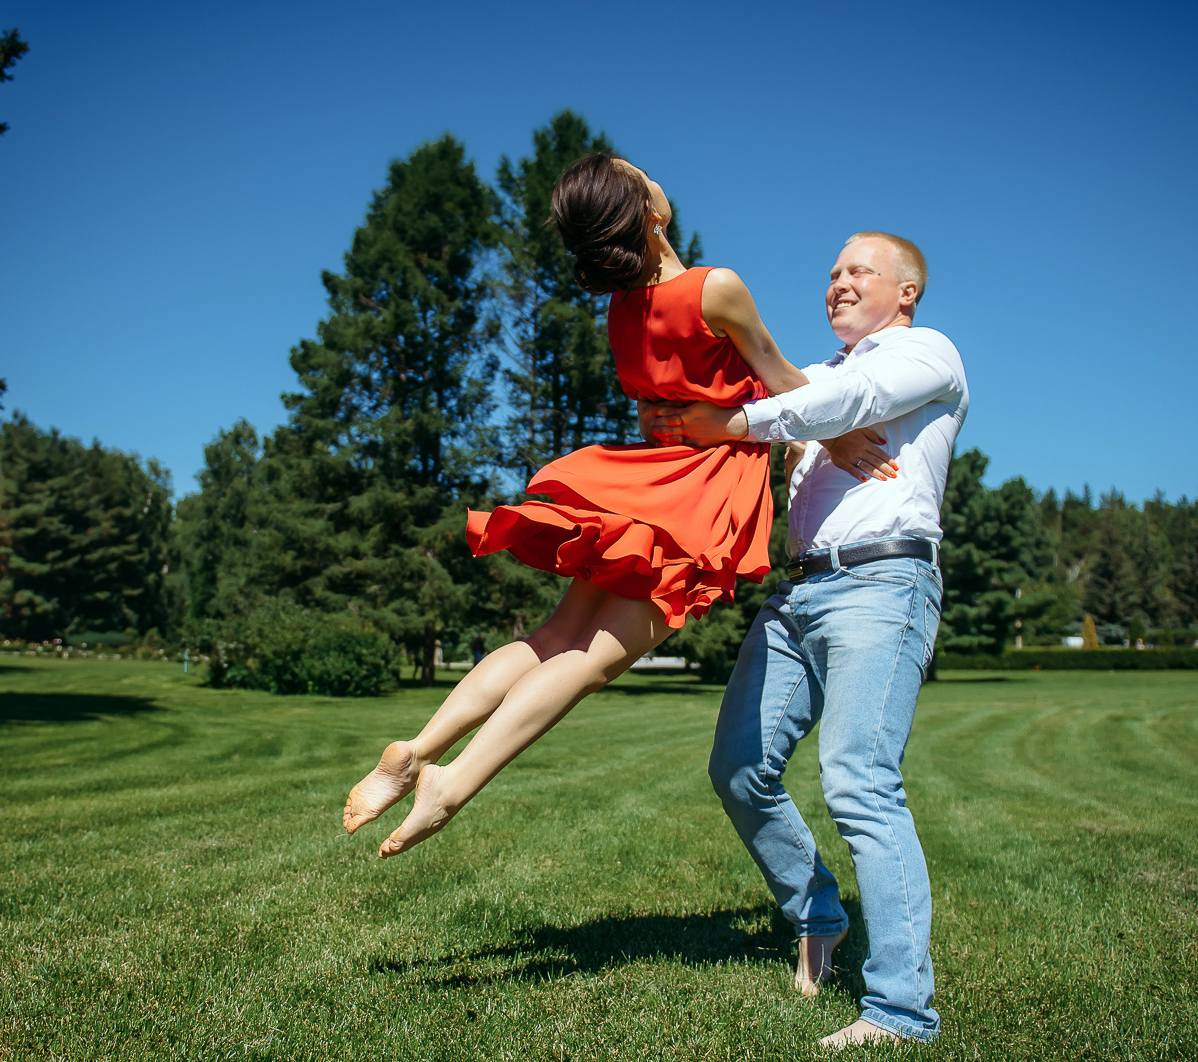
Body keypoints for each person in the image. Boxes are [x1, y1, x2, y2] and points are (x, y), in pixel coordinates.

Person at [341, 156, 894, 858]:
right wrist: (839, 439)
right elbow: (783, 380)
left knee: (554, 635)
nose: (652, 176)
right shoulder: (715, 288)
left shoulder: (622, 310)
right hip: (701, 491)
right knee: (592, 658)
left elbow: (652, 405)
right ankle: (452, 783)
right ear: (650, 214)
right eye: (641, 179)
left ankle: (418, 750)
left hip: (647, 481)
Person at [643, 231, 967, 1049]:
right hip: (797, 593)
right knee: (738, 767)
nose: (837, 282)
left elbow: (844, 404)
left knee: (860, 780)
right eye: (830, 273)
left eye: (859, 270)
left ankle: (901, 1011)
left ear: (906, 291)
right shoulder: (815, 376)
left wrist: (732, 422)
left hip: (882, 582)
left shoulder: (927, 354)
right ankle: (819, 910)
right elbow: (764, 394)